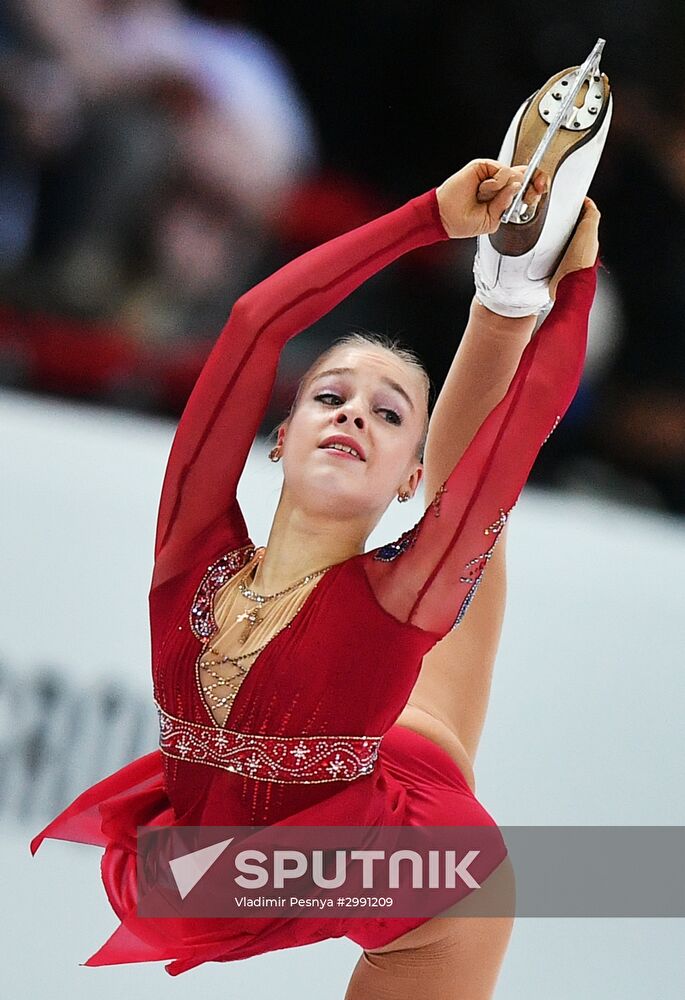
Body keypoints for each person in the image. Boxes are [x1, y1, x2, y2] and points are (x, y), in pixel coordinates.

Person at [30, 155, 600, 996]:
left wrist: (572, 287)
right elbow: (257, 320)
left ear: (405, 478)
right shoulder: (193, 553)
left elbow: (497, 459)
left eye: (388, 413)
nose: (353, 415)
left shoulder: (403, 587)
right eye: (330, 396)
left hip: (393, 853)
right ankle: (505, 283)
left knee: (473, 515)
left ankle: (510, 291)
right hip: (251, 841)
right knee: (427, 715)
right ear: (278, 435)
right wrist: (424, 218)